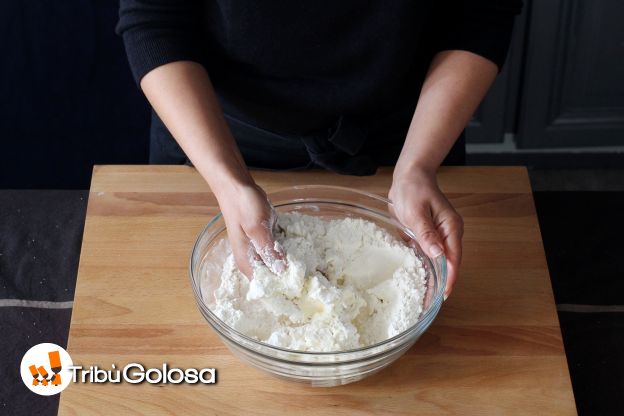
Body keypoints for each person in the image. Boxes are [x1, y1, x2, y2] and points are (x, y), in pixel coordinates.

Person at [117, 1, 523, 298]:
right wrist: (229, 183)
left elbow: (479, 18)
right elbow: (154, 21)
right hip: (215, 141)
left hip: (410, 139)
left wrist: (417, 166)